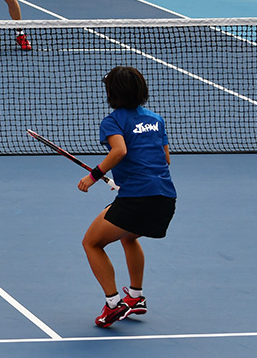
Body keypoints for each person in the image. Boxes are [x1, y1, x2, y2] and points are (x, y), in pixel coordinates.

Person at [78, 66, 176, 327]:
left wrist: (94, 176)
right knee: (129, 237)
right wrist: (127, 178)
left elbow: (119, 151)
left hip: (137, 198)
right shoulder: (156, 119)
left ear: (112, 92)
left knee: (92, 243)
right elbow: (164, 159)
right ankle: (135, 297)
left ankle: (113, 305)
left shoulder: (113, 121)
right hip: (165, 198)